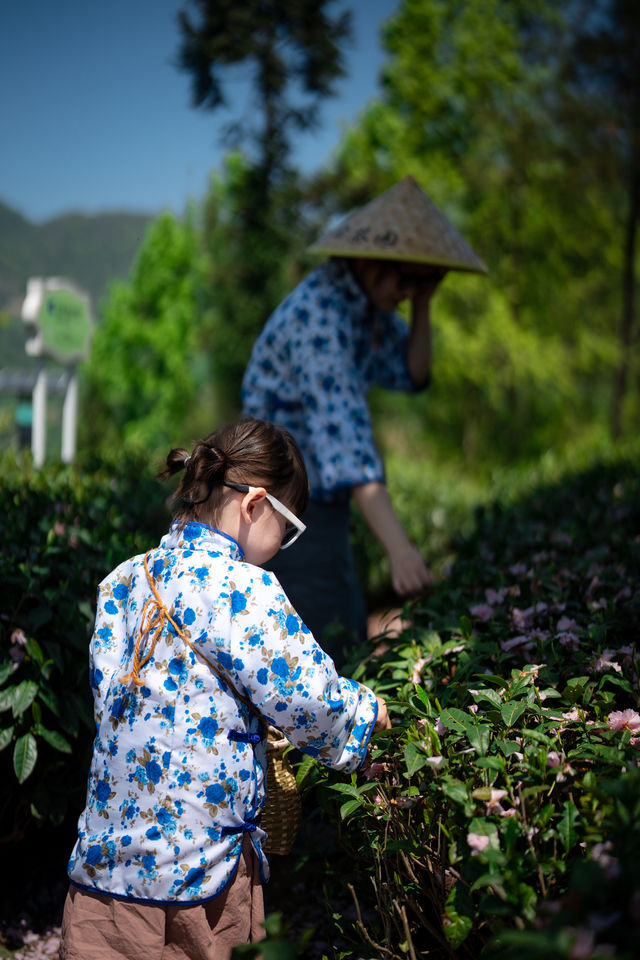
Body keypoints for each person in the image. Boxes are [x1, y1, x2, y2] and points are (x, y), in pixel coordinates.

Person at [60, 417, 390, 960]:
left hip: (104, 867)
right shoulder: (242, 588)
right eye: (290, 527)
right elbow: (305, 696)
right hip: (199, 871)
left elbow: (114, 706)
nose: (283, 546)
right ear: (255, 504)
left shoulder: (122, 582)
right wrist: (362, 712)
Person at [241, 176, 487, 663]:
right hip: (279, 512)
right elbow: (347, 446)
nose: (406, 291)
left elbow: (413, 373)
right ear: (370, 262)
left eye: (419, 281)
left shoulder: (364, 309)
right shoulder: (321, 320)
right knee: (321, 653)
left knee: (345, 633)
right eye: (404, 279)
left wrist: (422, 302)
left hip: (315, 508)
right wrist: (400, 549)